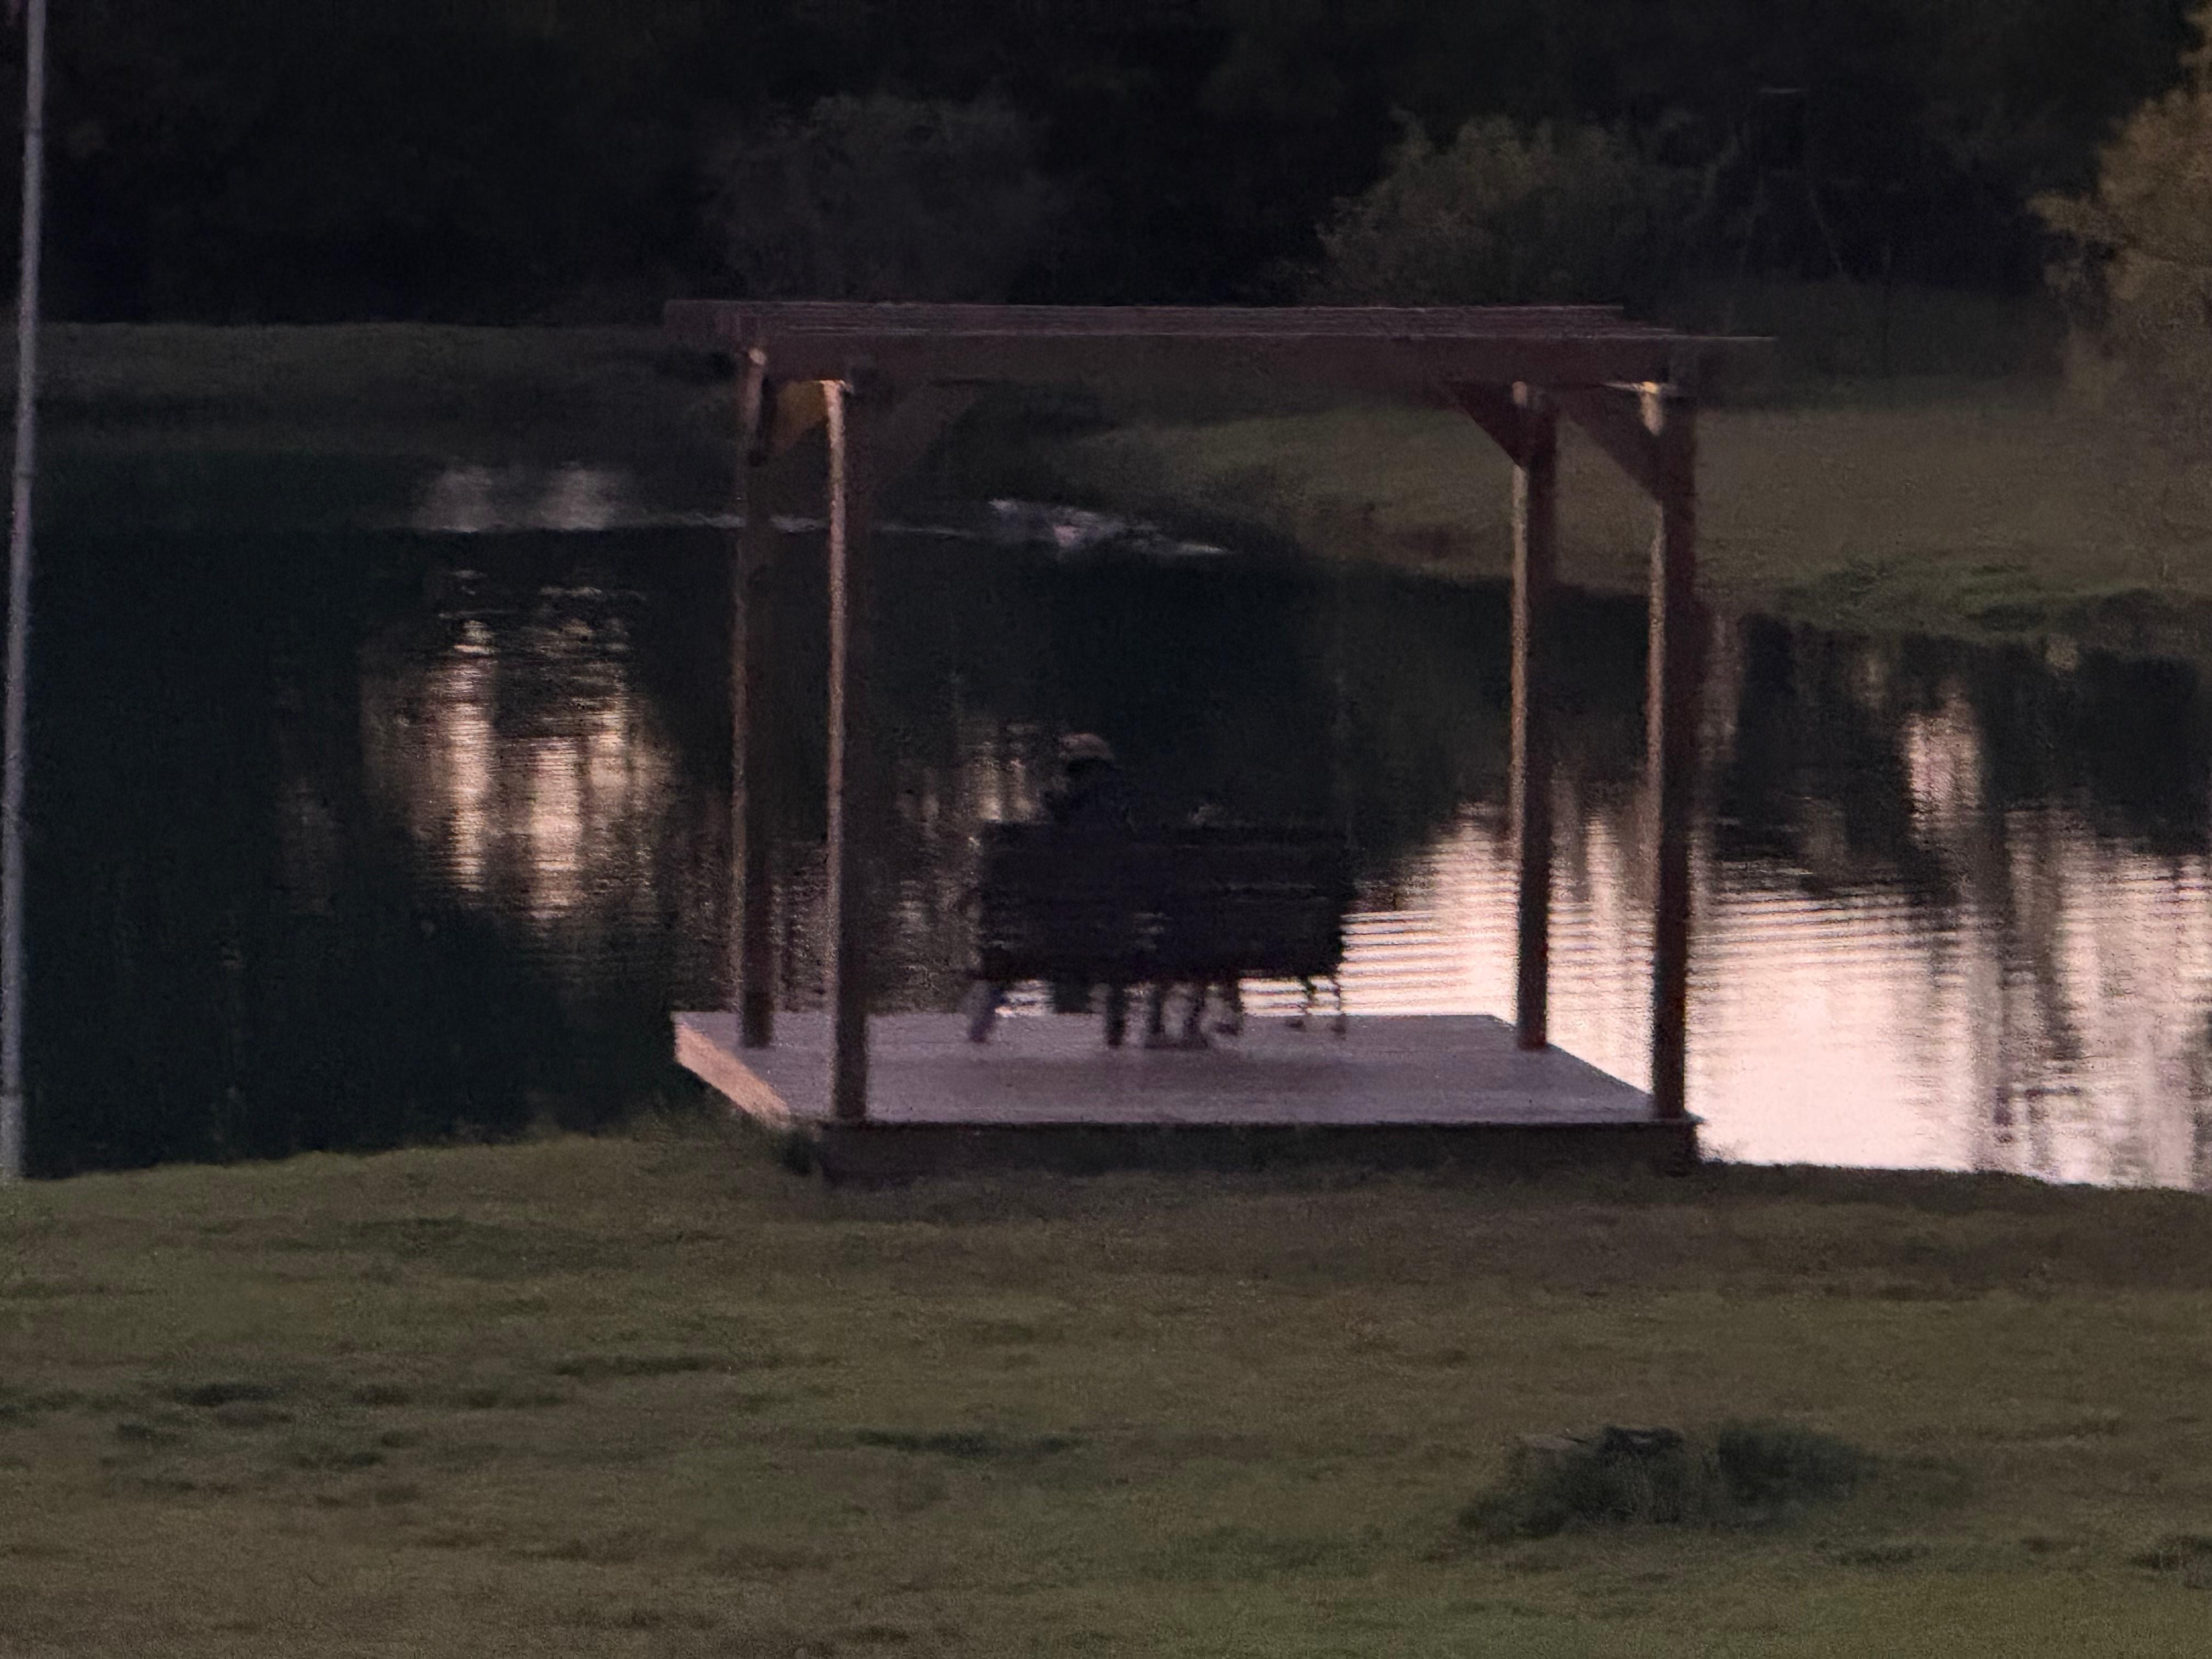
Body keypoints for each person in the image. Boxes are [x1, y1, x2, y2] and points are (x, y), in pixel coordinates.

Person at [966, 732, 1140, 1043]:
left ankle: (980, 1028)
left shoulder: (1046, 824)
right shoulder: (1121, 826)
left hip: (1047, 937)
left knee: (1014, 942)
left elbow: (1008, 880)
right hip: (1110, 939)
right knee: (1116, 934)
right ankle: (1117, 1031)